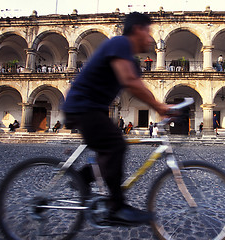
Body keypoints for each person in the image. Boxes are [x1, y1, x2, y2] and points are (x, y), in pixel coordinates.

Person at [62, 12, 169, 225]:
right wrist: (160, 106)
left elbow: (139, 85)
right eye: (148, 33)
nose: (150, 39)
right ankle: (116, 208)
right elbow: (130, 81)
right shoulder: (120, 43)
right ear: (137, 29)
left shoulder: (129, 57)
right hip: (83, 106)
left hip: (92, 108)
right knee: (115, 146)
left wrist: (160, 105)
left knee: (108, 150)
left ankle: (81, 178)